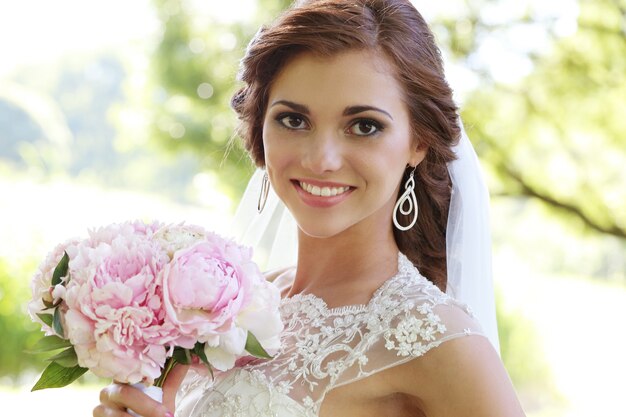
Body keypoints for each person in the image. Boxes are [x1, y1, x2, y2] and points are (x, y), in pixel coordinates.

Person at [94, 0, 526, 416]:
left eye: (363, 126)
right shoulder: (233, 305)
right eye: (294, 120)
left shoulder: (440, 341)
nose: (321, 159)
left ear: (418, 142)